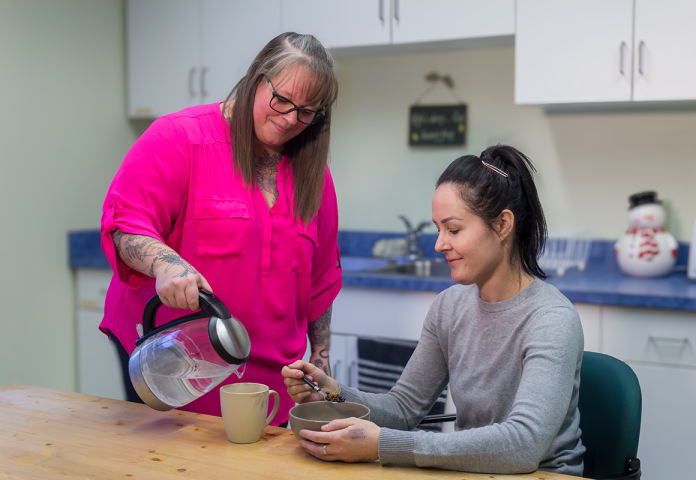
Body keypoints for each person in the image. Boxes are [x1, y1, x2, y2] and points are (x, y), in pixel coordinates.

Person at [283, 145, 585, 476]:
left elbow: (524, 445)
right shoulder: (449, 307)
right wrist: (334, 392)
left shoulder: (551, 318)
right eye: (438, 229)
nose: (440, 244)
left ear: (502, 225)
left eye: (453, 229)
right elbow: (402, 409)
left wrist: (383, 444)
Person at [100, 32, 342, 426]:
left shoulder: (315, 177)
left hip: (273, 381)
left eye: (307, 112)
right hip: (175, 363)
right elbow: (124, 225)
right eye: (281, 100)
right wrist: (166, 265)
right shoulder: (180, 138)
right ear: (255, 78)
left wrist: (321, 360)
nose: (290, 120)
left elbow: (321, 279)